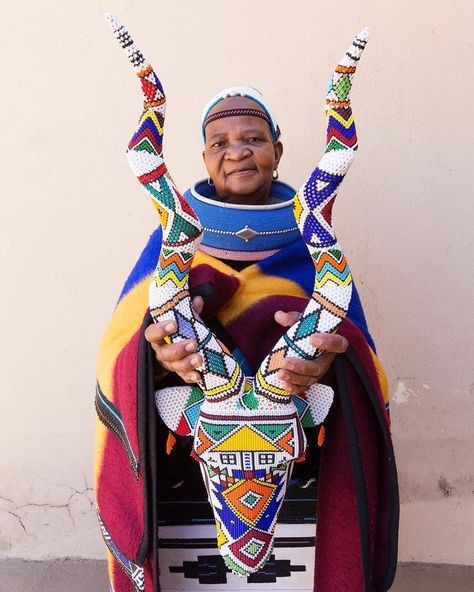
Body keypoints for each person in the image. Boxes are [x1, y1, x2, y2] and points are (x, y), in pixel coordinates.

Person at [95, 16, 398, 592]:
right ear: (204, 158)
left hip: (297, 463)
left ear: (278, 151)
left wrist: (332, 357)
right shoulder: (171, 240)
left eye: (253, 139)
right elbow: (121, 341)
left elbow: (356, 349)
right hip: (189, 464)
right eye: (220, 142)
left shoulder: (313, 245)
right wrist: (157, 353)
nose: (237, 152)